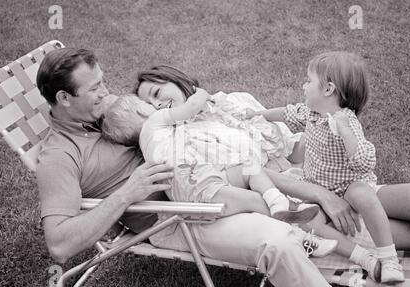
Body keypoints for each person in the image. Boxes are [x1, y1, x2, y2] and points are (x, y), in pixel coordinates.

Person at [35, 47, 345, 287]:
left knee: (290, 187)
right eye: (95, 89)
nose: (107, 92)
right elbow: (59, 245)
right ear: (64, 98)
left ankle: (353, 228)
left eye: (103, 82)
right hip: (177, 217)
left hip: (207, 175)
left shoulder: (108, 111)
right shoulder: (60, 155)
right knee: (276, 239)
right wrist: (127, 193)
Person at [135, 63, 410, 283]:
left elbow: (292, 146)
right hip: (299, 204)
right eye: (148, 104)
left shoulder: (235, 101)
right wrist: (321, 195)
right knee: (405, 233)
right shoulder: (178, 139)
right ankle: (380, 254)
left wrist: (331, 138)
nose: (156, 103)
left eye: (156, 92)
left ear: (174, 78)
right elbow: (243, 179)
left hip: (326, 178)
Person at [248, 51, 410, 283]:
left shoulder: (346, 121)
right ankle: (367, 257)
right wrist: (257, 114)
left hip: (355, 194)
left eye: (308, 81)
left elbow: (365, 162)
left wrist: (345, 132)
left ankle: (389, 260)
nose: (303, 85)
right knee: (306, 219)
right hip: (323, 198)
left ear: (328, 90)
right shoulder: (311, 114)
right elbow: (287, 113)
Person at [101, 92, 339, 258]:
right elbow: (190, 107)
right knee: (255, 200)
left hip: (196, 191)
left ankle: (278, 202)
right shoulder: (155, 122)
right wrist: (201, 95)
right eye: (147, 103)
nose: (154, 105)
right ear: (142, 110)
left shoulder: (147, 144)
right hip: (204, 190)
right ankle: (306, 238)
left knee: (248, 167)